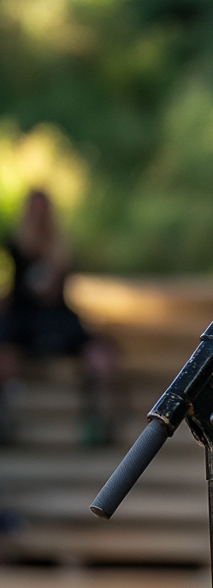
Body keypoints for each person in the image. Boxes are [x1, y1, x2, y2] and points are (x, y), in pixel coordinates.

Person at [0, 189, 118, 446]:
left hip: (57, 320)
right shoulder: (16, 245)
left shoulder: (60, 246)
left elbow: (55, 292)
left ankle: (99, 419)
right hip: (25, 321)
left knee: (99, 352)